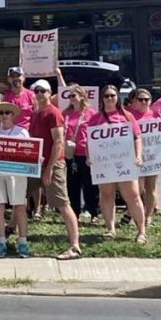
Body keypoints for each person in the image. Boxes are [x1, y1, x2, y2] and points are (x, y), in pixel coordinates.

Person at [26, 79, 82, 260]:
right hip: (37, 163)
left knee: (62, 203)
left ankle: (75, 246)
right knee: (21, 196)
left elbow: (59, 142)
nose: (40, 94)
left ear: (50, 93)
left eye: (44, 91)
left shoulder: (53, 113)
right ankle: (10, 231)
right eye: (37, 91)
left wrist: (49, 169)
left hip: (53, 163)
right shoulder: (36, 113)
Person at [87, 85, 148, 243]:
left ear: (117, 97)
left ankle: (141, 231)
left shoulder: (127, 116)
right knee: (106, 195)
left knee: (133, 196)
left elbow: (137, 138)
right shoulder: (95, 119)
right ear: (102, 98)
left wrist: (138, 156)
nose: (109, 98)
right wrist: (89, 156)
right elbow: (89, 141)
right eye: (106, 96)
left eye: (112, 95)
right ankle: (110, 228)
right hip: (104, 164)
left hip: (125, 163)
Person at [0, 103, 30, 258]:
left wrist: (35, 158)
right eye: (1, 113)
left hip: (17, 175)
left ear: (13, 115)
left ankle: (23, 243)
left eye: (7, 112)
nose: (4, 115)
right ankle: (0, 242)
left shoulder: (22, 132)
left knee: (19, 207)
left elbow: (29, 152)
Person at [64, 85, 100, 225]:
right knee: (72, 185)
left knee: (90, 185)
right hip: (69, 154)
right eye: (69, 96)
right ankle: (75, 213)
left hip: (86, 153)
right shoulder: (66, 113)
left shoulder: (91, 113)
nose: (71, 99)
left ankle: (93, 213)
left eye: (73, 96)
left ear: (82, 97)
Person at [127, 88, 160, 226]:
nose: (144, 102)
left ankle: (148, 216)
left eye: (147, 99)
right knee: (138, 190)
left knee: (151, 188)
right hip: (135, 158)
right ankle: (133, 213)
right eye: (140, 99)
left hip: (153, 157)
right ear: (134, 101)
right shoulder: (129, 116)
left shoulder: (156, 115)